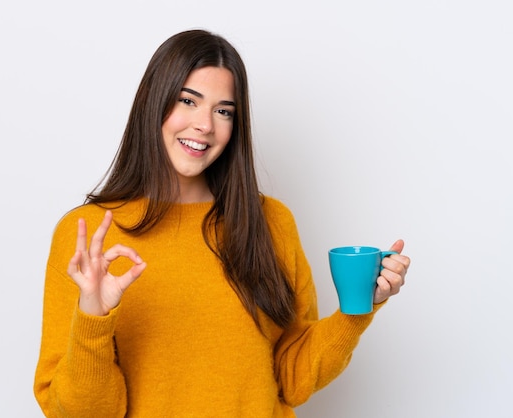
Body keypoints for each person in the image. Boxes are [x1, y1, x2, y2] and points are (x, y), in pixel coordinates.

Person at [33, 29, 411, 417]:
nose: (205, 125)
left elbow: (292, 380)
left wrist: (361, 305)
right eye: (188, 101)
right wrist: (93, 317)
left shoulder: (270, 222)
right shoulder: (89, 235)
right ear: (152, 103)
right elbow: (84, 413)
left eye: (223, 110)